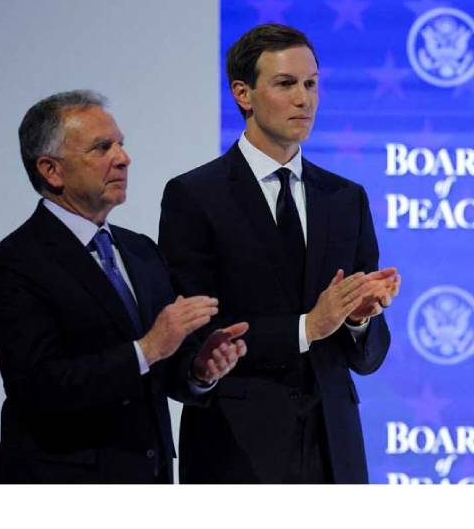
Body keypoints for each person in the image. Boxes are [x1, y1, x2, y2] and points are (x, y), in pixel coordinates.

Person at [158, 24, 401, 483]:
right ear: (243, 94)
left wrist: (358, 319)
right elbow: (195, 335)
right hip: (237, 452)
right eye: (286, 84)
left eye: (311, 84)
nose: (304, 99)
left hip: (334, 452)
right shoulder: (195, 196)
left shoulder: (346, 199)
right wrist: (308, 327)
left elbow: (368, 360)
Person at [0, 90, 247, 483]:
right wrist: (148, 348)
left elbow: (161, 370)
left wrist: (198, 369)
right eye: (102, 147)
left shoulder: (141, 251)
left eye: (121, 144)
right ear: (51, 170)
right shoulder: (16, 263)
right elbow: (39, 388)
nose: (123, 158)